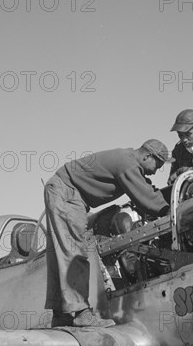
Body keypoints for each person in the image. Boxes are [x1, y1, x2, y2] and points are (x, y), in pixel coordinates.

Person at [44, 139, 173, 328]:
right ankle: (81, 313)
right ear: (147, 156)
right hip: (68, 194)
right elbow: (145, 196)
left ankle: (60, 315)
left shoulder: (127, 160)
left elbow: (146, 187)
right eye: (158, 164)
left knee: (61, 253)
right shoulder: (128, 164)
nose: (156, 171)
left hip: (63, 190)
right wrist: (169, 212)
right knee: (75, 253)